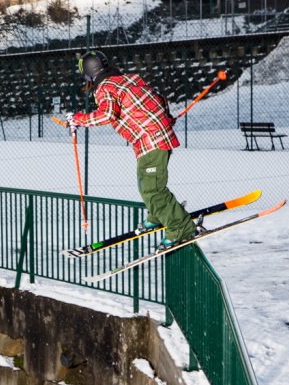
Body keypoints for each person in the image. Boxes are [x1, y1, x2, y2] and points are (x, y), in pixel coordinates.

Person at [62, 50, 197, 248]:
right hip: (152, 141)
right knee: (145, 184)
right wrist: (165, 117)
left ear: (89, 74)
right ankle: (157, 214)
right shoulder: (128, 79)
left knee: (153, 188)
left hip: (151, 141)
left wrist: (78, 119)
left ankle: (180, 227)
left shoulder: (104, 88)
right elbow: (159, 96)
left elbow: (106, 114)